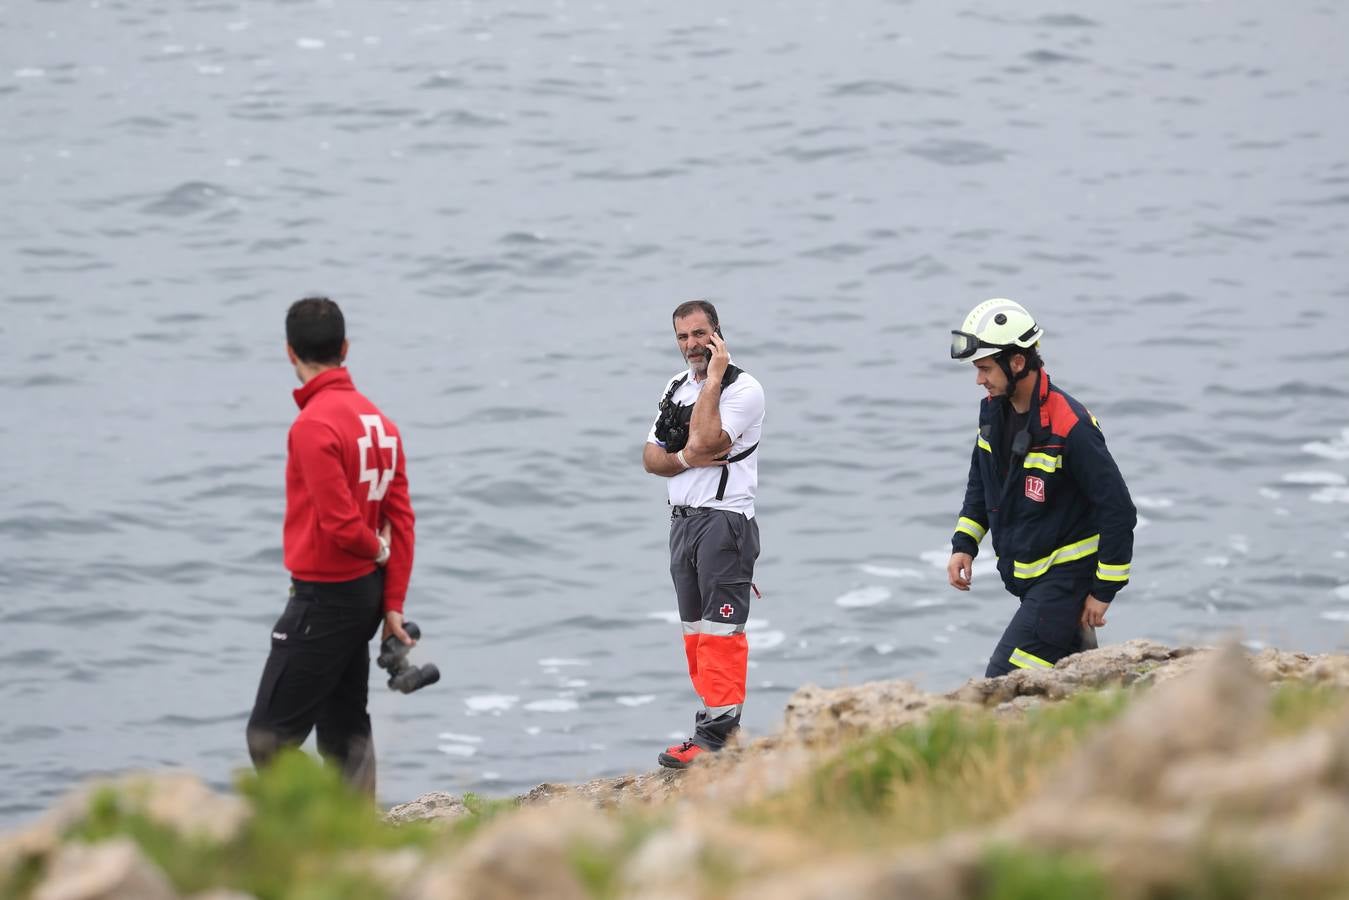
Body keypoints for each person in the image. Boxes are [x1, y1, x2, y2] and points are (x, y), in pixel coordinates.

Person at [246, 296, 416, 793]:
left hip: (324, 596)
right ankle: (355, 834)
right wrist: (393, 605)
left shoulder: (313, 426)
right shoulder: (379, 423)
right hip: (365, 597)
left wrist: (375, 551)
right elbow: (402, 520)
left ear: (289, 352)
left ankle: (304, 832)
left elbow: (343, 527)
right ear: (344, 348)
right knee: (345, 729)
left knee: (268, 735)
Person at [946, 298, 1135, 677]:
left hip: (1064, 585)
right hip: (1035, 585)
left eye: (985, 368)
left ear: (1017, 362)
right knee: (1081, 683)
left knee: (999, 684)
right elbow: (980, 483)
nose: (979, 379)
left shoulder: (1071, 427)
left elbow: (1118, 510)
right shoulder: (993, 412)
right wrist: (965, 544)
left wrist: (1102, 591)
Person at [643, 299, 765, 768]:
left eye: (699, 334)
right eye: (682, 337)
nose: (691, 345)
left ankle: (718, 738)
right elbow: (651, 459)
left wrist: (713, 379)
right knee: (696, 634)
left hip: (724, 521)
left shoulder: (743, 388)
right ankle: (711, 729)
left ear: (717, 334)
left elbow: (711, 442)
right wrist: (682, 460)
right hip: (683, 522)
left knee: (720, 632)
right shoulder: (675, 386)